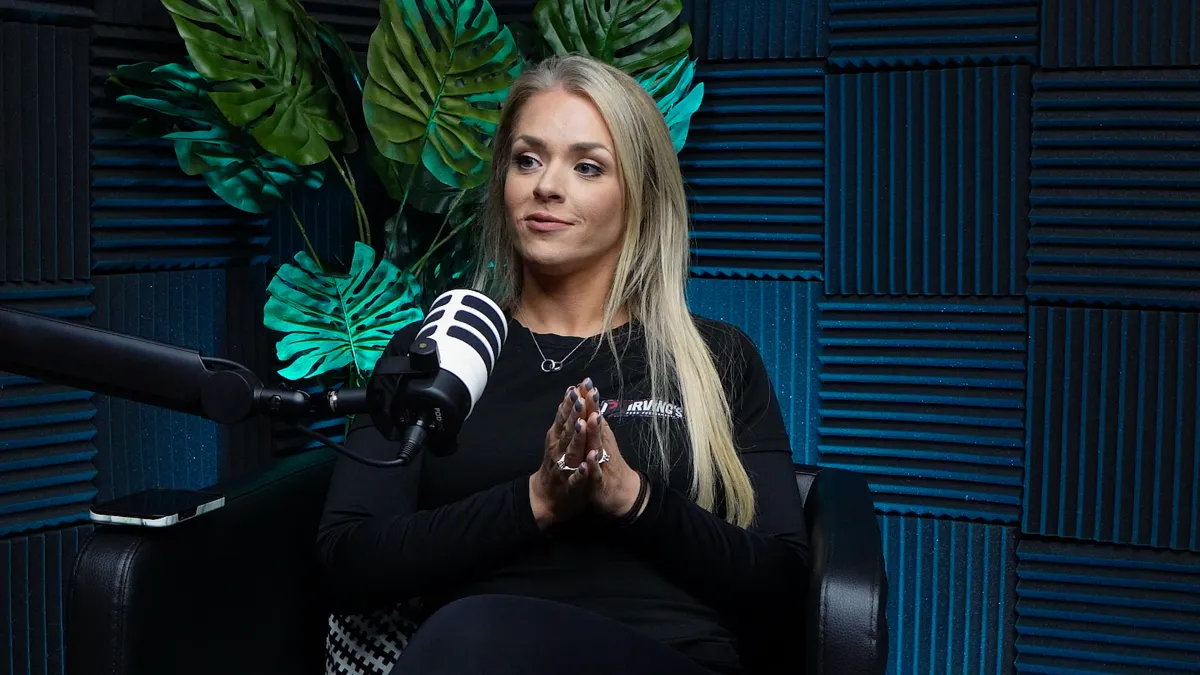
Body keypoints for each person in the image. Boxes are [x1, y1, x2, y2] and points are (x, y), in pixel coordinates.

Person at [317, 53, 810, 675]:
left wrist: (633, 499)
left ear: (640, 194)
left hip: (667, 659)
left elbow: (784, 583)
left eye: (587, 166)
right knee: (474, 634)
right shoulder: (436, 354)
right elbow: (347, 563)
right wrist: (537, 501)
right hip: (476, 656)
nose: (546, 185)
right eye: (527, 159)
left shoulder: (717, 359)